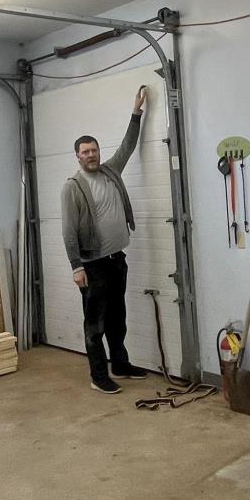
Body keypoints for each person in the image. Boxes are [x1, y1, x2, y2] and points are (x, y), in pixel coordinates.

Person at [61, 86, 151, 393]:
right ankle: (98, 375)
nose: (91, 155)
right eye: (85, 152)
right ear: (78, 156)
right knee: (95, 323)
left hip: (116, 260)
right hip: (93, 265)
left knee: (117, 317)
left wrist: (136, 112)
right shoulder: (73, 187)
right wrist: (76, 266)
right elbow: (68, 230)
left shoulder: (111, 171)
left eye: (94, 150)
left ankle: (120, 365)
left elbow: (128, 144)